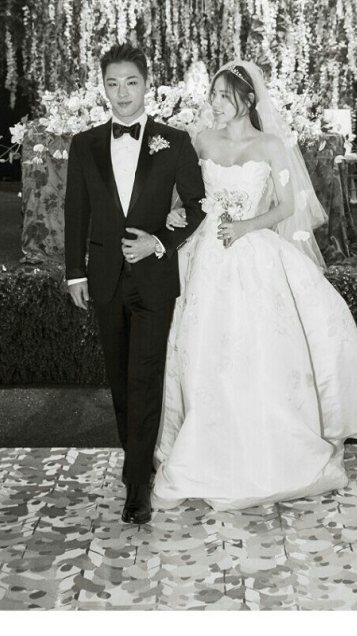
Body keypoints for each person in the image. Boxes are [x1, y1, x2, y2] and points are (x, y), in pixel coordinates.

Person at [152, 61, 357, 511]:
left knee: (258, 345)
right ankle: (204, 439)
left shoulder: (270, 144)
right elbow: (188, 198)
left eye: (224, 96)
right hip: (205, 256)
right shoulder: (201, 141)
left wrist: (245, 226)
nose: (215, 103)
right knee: (200, 344)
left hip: (251, 250)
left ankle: (269, 438)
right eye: (213, 95)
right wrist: (176, 213)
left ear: (248, 100)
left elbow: (287, 207)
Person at [64, 43, 205, 524]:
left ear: (147, 85)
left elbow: (198, 205)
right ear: (102, 87)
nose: (122, 93)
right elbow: (76, 211)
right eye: (112, 83)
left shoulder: (174, 141)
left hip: (154, 279)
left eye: (131, 82)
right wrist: (75, 272)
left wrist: (159, 241)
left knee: (145, 377)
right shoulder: (84, 144)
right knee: (121, 382)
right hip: (104, 280)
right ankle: (136, 462)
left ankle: (137, 484)